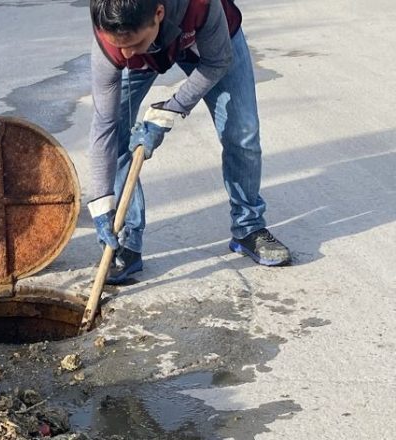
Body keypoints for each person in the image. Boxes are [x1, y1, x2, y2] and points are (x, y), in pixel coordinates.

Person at [86, 0, 292, 284]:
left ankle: (248, 228)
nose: (125, 53)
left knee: (242, 132)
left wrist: (171, 109)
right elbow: (104, 125)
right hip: (150, 53)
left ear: (158, 13)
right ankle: (126, 242)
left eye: (132, 43)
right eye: (119, 45)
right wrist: (100, 205)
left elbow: (218, 61)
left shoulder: (200, 5)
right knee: (118, 135)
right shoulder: (112, 33)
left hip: (206, 42)